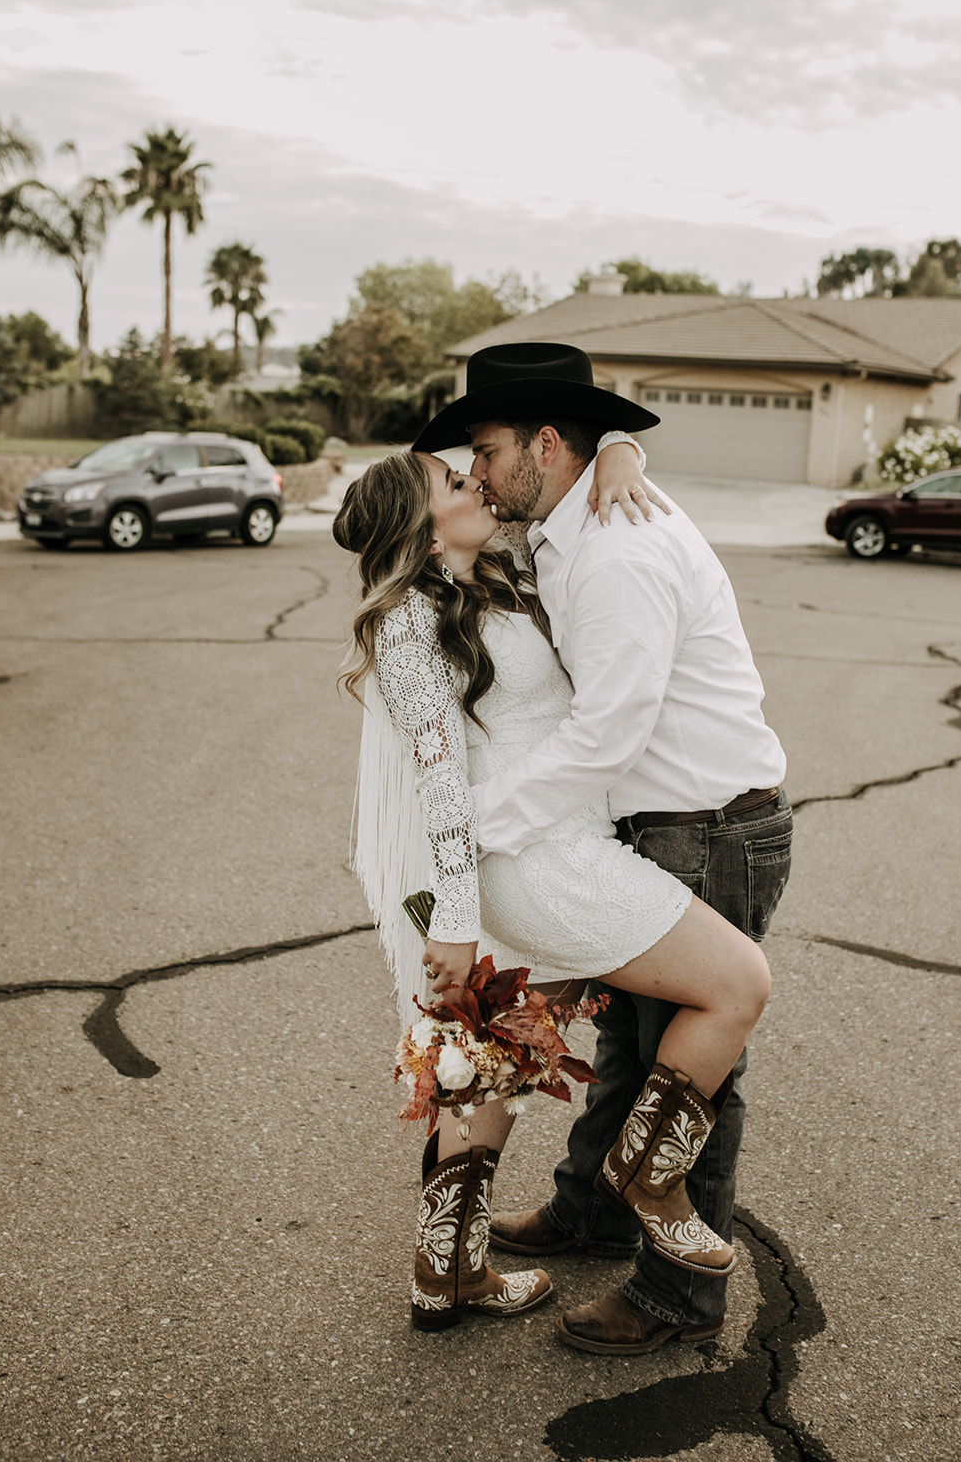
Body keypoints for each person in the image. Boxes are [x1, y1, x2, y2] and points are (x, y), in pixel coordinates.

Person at [333, 401, 772, 1339]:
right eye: (457, 481)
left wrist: (618, 447)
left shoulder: (490, 575)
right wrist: (451, 921)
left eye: (477, 464)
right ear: (421, 524)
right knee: (736, 982)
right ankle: (646, 1177)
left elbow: (567, 462)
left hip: (538, 851)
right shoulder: (409, 629)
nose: (475, 480)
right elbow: (441, 792)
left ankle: (446, 1273)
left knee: (495, 1058)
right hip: (537, 863)